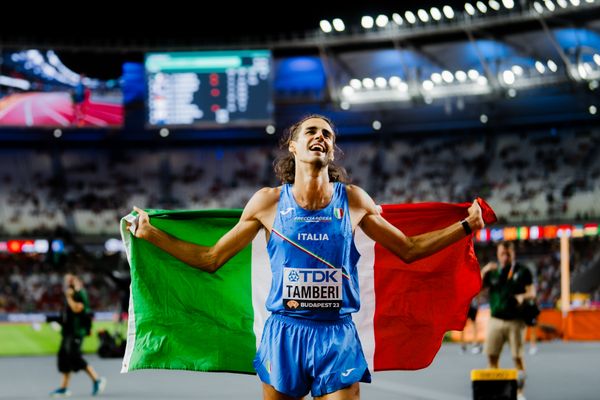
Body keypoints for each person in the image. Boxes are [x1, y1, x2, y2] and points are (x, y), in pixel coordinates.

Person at [129, 114, 485, 400]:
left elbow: (409, 250)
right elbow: (210, 258)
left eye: (327, 134)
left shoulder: (355, 200)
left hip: (338, 334)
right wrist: (150, 233)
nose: (321, 137)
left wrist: (466, 226)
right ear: (294, 147)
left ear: (331, 151)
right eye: (311, 131)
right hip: (284, 333)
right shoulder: (267, 202)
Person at [481, 241, 536, 400]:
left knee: (517, 358)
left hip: (515, 321)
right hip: (495, 320)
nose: (505, 257)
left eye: (508, 254)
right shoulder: (492, 272)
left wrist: (522, 296)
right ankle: (495, 390)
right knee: (491, 357)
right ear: (498, 254)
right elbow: (475, 287)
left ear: (513, 254)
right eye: (502, 254)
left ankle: (519, 392)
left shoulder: (523, 271)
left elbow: (532, 293)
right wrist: (484, 270)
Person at [50, 273, 107, 397]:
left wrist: (69, 298)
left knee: (75, 356)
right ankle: (64, 388)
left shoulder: (80, 294)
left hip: (76, 332)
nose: (67, 284)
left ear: (76, 281)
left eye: (70, 281)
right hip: (68, 332)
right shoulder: (71, 294)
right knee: (64, 357)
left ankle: (97, 379)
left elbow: (77, 309)